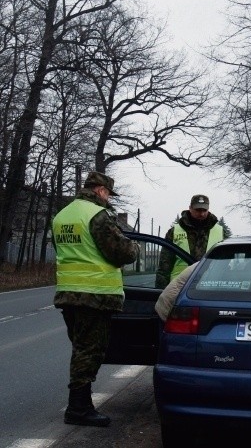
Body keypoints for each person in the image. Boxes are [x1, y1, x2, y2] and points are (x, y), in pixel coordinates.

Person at [52, 171, 139, 427]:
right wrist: (133, 246)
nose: (109, 198)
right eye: (108, 193)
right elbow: (121, 252)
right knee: (89, 351)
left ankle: (82, 405)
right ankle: (78, 409)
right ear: (101, 190)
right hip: (94, 295)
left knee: (81, 348)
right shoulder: (97, 215)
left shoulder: (62, 215)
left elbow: (65, 252)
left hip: (68, 293)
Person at [155, 194, 223, 289]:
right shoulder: (174, 232)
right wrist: (160, 291)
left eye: (204, 210)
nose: (202, 213)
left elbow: (227, 264)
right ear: (190, 208)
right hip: (179, 287)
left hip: (211, 287)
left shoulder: (220, 231)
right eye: (198, 210)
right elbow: (164, 266)